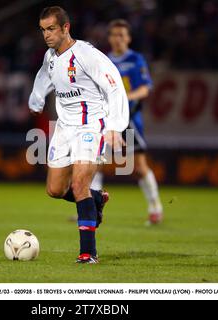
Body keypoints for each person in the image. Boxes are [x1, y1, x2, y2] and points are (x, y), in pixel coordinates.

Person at [29, 7, 129, 264]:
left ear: (66, 28)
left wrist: (116, 126)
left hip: (90, 126)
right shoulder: (50, 56)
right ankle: (96, 200)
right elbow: (44, 76)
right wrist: (37, 98)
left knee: (79, 185)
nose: (46, 35)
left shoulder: (86, 55)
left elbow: (114, 85)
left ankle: (88, 253)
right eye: (43, 30)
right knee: (54, 189)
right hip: (64, 127)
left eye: (51, 29)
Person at [91, 19, 163, 225]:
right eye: (114, 34)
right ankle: (91, 208)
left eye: (122, 35)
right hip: (104, 120)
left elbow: (145, 88)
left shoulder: (136, 60)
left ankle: (155, 206)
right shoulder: (103, 60)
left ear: (128, 38)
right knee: (95, 165)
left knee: (139, 168)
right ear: (109, 38)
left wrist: (125, 99)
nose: (118, 39)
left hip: (128, 120)